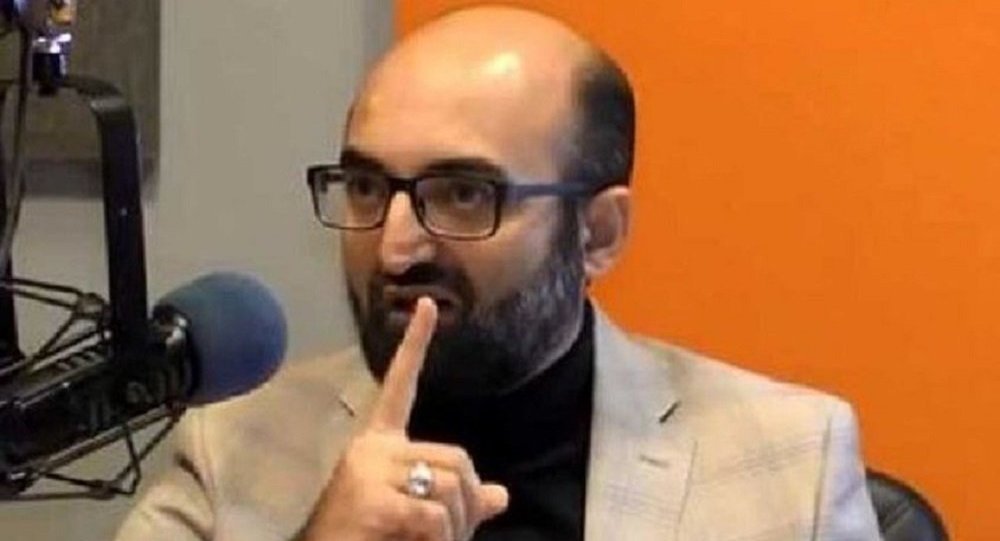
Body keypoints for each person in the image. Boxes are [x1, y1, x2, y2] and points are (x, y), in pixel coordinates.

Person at [116, 6, 880, 541]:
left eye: (463, 194)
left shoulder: (788, 464)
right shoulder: (233, 450)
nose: (395, 248)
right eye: (368, 187)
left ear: (598, 233)